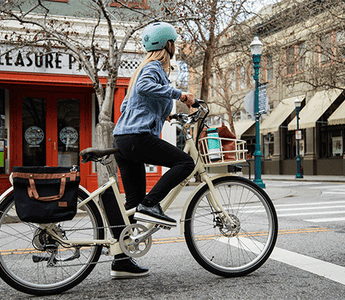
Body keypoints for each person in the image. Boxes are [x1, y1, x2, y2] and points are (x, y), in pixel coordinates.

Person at [110, 22, 195, 279]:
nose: (175, 46)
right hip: (137, 138)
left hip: (123, 140)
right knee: (186, 163)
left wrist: (164, 115)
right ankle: (152, 204)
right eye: (174, 42)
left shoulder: (141, 70)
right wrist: (179, 95)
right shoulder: (153, 68)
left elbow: (130, 104)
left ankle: (121, 261)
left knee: (131, 205)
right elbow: (146, 88)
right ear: (167, 44)